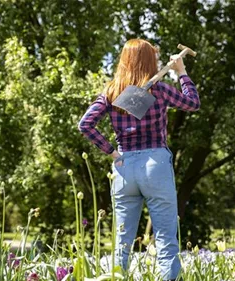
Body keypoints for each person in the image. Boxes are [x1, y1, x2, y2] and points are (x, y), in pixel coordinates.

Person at [78, 38, 200, 281]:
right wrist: (182, 72)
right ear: (148, 61)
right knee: (165, 239)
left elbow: (85, 124)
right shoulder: (160, 89)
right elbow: (193, 103)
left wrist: (112, 152)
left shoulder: (112, 90)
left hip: (124, 167)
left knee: (122, 243)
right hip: (155, 164)